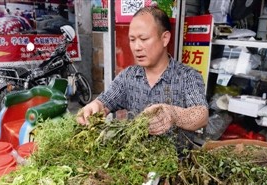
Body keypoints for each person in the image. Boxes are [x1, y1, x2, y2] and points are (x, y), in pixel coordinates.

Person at [76, 6, 208, 150]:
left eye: (143, 39)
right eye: (132, 40)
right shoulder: (129, 76)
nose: (137, 47)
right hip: (136, 164)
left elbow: (201, 114)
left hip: (177, 165)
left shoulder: (187, 76)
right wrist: (95, 107)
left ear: (165, 38)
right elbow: (105, 101)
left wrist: (173, 114)